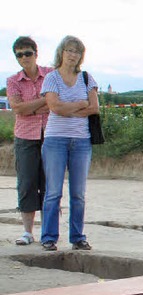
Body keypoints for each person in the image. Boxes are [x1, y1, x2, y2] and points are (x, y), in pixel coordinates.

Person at [40, 35, 99, 252]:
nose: (73, 55)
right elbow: (55, 107)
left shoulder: (86, 78)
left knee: (78, 193)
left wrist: (70, 107)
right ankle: (48, 237)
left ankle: (77, 236)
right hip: (56, 139)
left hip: (81, 141)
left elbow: (94, 108)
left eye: (77, 51)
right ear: (61, 52)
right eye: (69, 50)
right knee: (53, 191)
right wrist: (80, 105)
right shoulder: (51, 78)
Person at [6, 36, 52, 247]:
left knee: (49, 184)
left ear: (36, 53)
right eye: (19, 55)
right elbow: (18, 108)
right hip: (25, 136)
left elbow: (58, 100)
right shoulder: (13, 81)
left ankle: (48, 231)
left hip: (51, 134)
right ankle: (27, 231)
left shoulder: (51, 74)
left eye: (27, 53)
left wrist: (30, 106)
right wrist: (45, 101)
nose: (24, 58)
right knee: (26, 183)